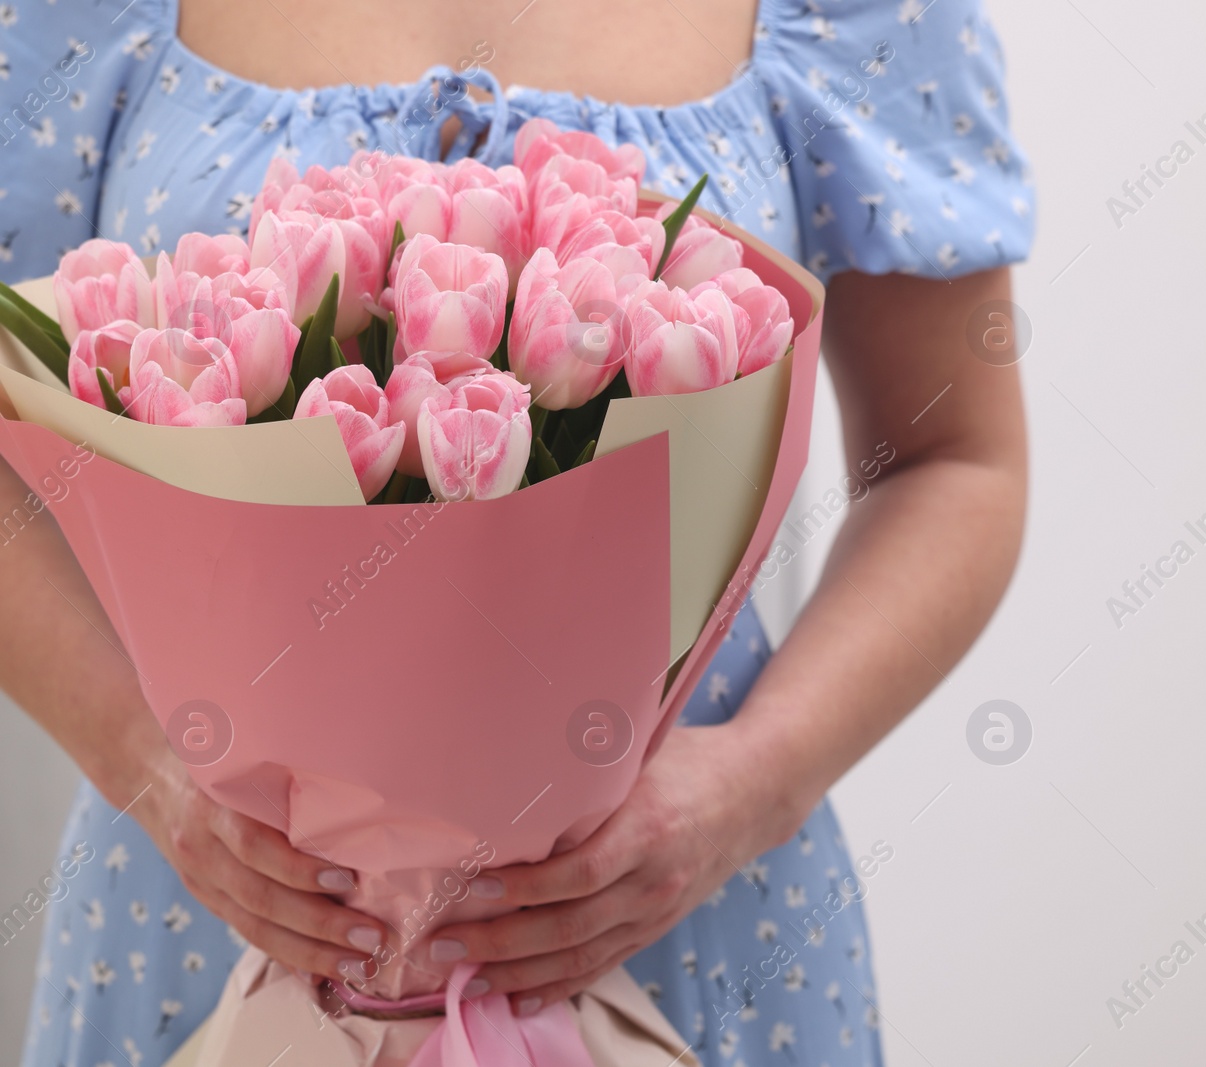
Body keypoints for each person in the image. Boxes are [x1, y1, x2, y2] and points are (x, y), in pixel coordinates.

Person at [0, 0, 1032, 1063]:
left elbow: (951, 458)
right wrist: (148, 763)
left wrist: (751, 784)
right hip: (205, 902)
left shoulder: (863, 18)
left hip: (681, 909)